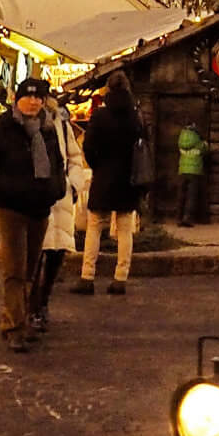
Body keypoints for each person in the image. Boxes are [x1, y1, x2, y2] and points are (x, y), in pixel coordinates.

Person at [0, 75, 64, 351]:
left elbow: (56, 163)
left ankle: (20, 320)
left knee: (31, 269)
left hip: (40, 207)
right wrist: (7, 185)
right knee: (15, 269)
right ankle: (13, 327)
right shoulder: (1, 129)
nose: (33, 102)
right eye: (28, 96)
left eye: (38, 97)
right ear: (16, 99)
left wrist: (58, 187)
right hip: (11, 208)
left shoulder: (48, 129)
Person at [76, 72, 146, 292]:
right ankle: (120, 278)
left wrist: (98, 165)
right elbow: (142, 147)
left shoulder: (99, 116)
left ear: (107, 89)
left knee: (95, 226)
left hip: (104, 176)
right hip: (128, 179)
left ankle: (87, 277)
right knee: (125, 229)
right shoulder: (136, 116)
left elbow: (88, 146)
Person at [31, 94, 83, 331]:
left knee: (56, 254)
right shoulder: (25, 123)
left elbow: (74, 156)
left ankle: (43, 303)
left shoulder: (61, 123)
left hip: (60, 197)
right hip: (35, 196)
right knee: (34, 256)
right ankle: (31, 306)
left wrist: (73, 184)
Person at [175, 119, 208, 226]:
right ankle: (187, 218)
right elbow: (206, 150)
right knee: (191, 196)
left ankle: (178, 217)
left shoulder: (181, 139)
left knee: (181, 195)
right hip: (194, 172)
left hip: (182, 171)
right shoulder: (198, 141)